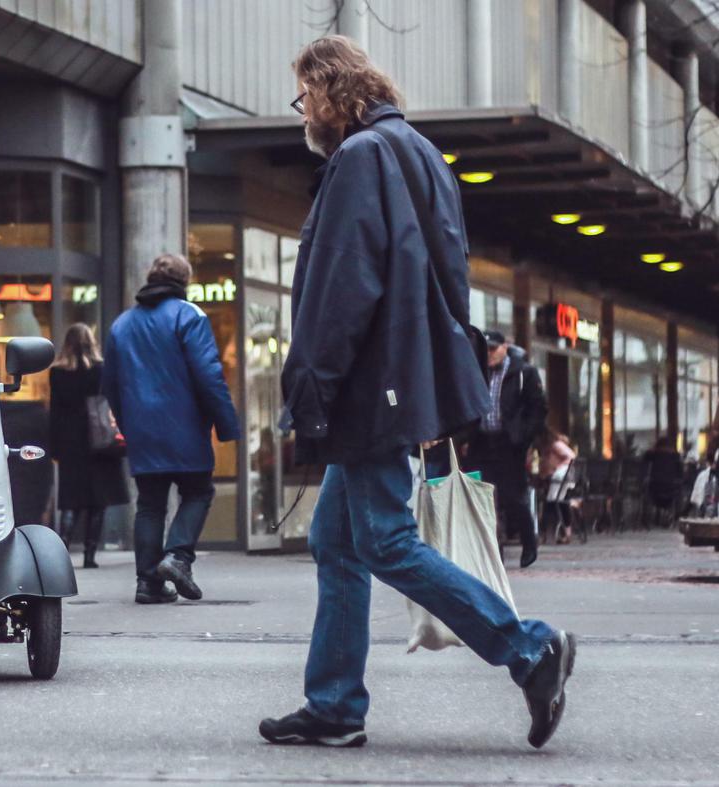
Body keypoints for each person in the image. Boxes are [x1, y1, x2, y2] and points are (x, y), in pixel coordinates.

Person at [259, 36, 576, 750]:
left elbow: (340, 288)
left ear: (332, 89)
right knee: (334, 538)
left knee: (385, 540)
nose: (302, 110)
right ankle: (335, 702)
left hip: (372, 386)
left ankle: (529, 649)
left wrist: (311, 388)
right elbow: (447, 280)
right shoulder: (419, 154)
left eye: (304, 95)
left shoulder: (359, 158)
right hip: (402, 378)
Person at [102, 253, 239, 604]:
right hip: (185, 425)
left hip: (143, 431)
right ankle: (178, 557)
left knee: (150, 504)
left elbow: (111, 387)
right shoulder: (188, 315)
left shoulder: (121, 325)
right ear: (185, 281)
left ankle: (147, 583)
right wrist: (226, 424)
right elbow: (208, 375)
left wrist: (130, 426)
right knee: (198, 491)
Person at [48, 323, 129, 568]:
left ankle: (61, 554)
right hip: (99, 440)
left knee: (71, 501)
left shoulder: (57, 373)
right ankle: (90, 555)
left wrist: (55, 447)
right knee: (98, 501)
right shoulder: (101, 370)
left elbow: (54, 412)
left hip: (71, 443)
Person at [468, 330, 548, 568]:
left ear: (505, 347)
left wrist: (522, 438)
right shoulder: (478, 371)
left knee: (514, 496)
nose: (490, 354)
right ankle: (494, 549)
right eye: (487, 349)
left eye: (494, 349)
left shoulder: (523, 372)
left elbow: (538, 409)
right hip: (481, 442)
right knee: (480, 495)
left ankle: (529, 542)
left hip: (508, 443)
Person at [537, 430, 579, 544]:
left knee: (551, 502)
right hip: (561, 477)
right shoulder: (552, 447)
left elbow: (571, 456)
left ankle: (543, 532)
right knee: (560, 502)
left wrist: (558, 467)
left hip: (561, 477)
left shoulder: (556, 445)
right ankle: (565, 532)